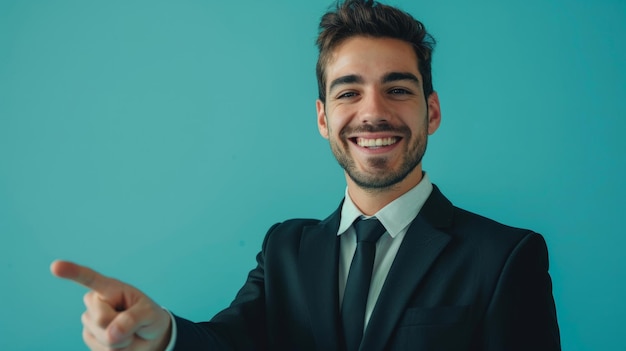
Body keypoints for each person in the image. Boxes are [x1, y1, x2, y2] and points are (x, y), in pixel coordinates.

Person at [51, 0, 561, 350]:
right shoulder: (285, 250)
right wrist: (159, 333)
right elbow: (226, 345)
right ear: (323, 118)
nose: (373, 112)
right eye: (348, 91)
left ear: (432, 112)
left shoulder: (504, 257)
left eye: (398, 89)